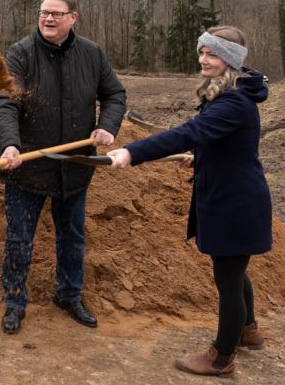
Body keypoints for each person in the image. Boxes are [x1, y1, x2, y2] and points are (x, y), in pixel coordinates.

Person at [107, 26, 271, 377]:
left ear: (230, 60)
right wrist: (200, 154)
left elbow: (191, 131)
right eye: (201, 52)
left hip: (235, 201)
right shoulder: (229, 95)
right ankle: (248, 330)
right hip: (230, 193)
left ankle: (221, 357)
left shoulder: (234, 102)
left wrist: (133, 152)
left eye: (212, 54)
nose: (203, 59)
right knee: (234, 270)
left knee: (227, 279)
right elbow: (214, 139)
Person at [0, 0, 126, 334]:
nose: (48, 19)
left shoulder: (92, 55)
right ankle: (14, 302)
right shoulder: (21, 54)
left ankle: (69, 296)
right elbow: (6, 102)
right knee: (19, 239)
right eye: (43, 13)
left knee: (72, 237)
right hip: (28, 167)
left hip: (75, 166)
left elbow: (114, 94)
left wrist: (106, 126)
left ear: (72, 18)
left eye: (56, 14)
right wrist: (9, 144)